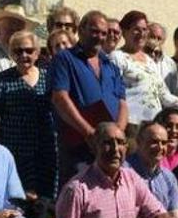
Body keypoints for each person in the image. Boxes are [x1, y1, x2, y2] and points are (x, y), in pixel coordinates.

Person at [49, 10, 127, 180]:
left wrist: (117, 134)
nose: (99, 37)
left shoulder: (111, 66)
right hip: (78, 145)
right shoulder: (65, 59)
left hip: (109, 147)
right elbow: (60, 98)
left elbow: (122, 102)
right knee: (77, 195)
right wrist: (90, 133)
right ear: (81, 30)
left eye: (103, 33)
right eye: (94, 31)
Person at [0, 31, 59, 200]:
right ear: (11, 53)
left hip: (47, 150)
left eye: (28, 50)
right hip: (16, 152)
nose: (24, 55)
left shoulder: (48, 76)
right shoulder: (2, 80)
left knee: (47, 200)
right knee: (20, 200)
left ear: (37, 52)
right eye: (18, 51)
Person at [111, 11, 178, 127]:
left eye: (144, 30)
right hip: (131, 124)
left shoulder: (150, 61)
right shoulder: (117, 57)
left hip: (154, 126)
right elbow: (113, 94)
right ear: (125, 32)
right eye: (136, 29)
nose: (141, 34)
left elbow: (164, 95)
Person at [145, 22, 178, 88]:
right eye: (152, 37)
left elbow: (175, 89)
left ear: (163, 41)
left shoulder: (169, 63)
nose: (155, 40)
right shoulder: (136, 59)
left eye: (159, 38)